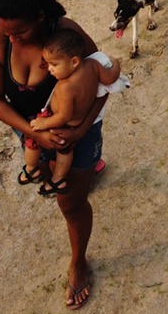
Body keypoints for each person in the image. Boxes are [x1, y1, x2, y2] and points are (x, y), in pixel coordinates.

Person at [0, 0, 112, 310]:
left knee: (69, 202)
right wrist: (31, 131)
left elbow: (105, 79)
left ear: (40, 18)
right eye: (5, 29)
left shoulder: (65, 34)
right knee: (41, 170)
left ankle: (78, 261)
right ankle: (84, 173)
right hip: (28, 129)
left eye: (20, 32)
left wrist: (80, 131)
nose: (12, 39)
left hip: (75, 132)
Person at [23, 28, 122, 198]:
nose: (49, 70)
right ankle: (58, 179)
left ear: (74, 61)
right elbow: (110, 78)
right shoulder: (93, 66)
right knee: (65, 150)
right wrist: (116, 63)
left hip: (60, 121)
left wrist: (43, 123)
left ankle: (31, 170)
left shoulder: (65, 87)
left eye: (54, 65)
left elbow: (64, 115)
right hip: (78, 122)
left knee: (32, 140)